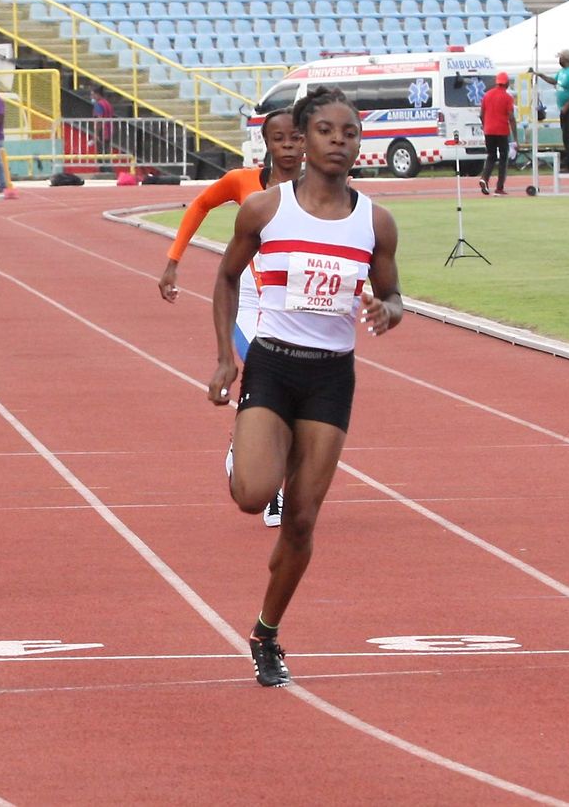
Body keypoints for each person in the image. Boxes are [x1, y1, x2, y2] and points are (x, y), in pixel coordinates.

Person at [208, 86, 404, 687]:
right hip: (272, 363)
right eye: (326, 131)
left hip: (329, 376)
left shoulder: (375, 222)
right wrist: (224, 359)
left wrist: (387, 311)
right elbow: (225, 277)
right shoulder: (265, 211)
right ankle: (246, 452)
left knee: (299, 521)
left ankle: (267, 632)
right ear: (305, 136)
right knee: (251, 495)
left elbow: (394, 294)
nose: (339, 142)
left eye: (349, 133)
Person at [158, 109, 304, 528]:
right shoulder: (243, 183)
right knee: (272, 387)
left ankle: (242, 446)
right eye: (282, 140)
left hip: (294, 309)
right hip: (252, 306)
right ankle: (273, 492)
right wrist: (173, 262)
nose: (290, 147)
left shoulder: (319, 190)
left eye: (297, 139)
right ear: (267, 144)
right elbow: (201, 203)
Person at [479, 71, 516, 195]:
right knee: (503, 157)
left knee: (491, 156)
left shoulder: (487, 95)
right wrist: (515, 138)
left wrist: (485, 126)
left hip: (488, 130)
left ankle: (484, 178)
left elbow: (481, 115)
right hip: (502, 130)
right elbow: (511, 117)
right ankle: (499, 187)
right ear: (506, 83)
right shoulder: (508, 98)